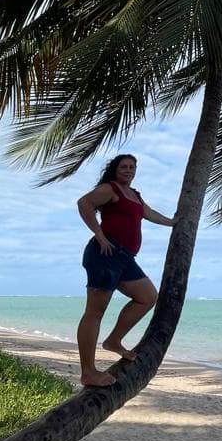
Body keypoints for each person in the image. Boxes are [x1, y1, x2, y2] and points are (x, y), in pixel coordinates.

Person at [76, 153, 176, 387]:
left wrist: (174, 222)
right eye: (124, 166)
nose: (128, 170)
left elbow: (149, 214)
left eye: (132, 167)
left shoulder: (135, 195)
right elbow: (84, 203)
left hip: (126, 259)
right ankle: (88, 372)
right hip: (105, 255)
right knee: (95, 312)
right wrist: (99, 235)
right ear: (115, 169)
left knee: (148, 297)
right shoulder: (110, 189)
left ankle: (113, 341)